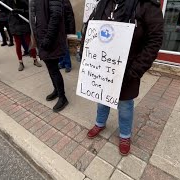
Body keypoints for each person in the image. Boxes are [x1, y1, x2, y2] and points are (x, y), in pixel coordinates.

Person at [83, 0, 164, 156]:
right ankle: (100, 123)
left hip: (129, 69)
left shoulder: (146, 5)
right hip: (103, 66)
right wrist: (87, 53)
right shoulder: (103, 3)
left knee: (125, 105)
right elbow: (90, 28)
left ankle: (125, 135)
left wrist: (135, 71)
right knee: (102, 98)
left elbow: (154, 41)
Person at [30, 0, 69, 112]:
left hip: (51, 39)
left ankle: (63, 97)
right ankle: (57, 90)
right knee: (51, 69)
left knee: (54, 69)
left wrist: (48, 38)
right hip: (42, 38)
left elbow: (56, 15)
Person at [5, 0, 41, 71]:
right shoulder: (8, 2)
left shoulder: (24, 1)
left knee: (30, 43)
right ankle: (20, 62)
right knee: (18, 45)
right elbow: (4, 11)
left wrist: (20, 11)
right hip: (14, 26)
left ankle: (35, 59)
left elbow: (29, 11)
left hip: (24, 25)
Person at [58, 0, 76, 73]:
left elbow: (70, 16)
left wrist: (71, 30)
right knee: (59, 47)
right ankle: (62, 63)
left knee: (64, 47)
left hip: (64, 28)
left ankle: (67, 64)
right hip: (57, 27)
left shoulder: (65, 1)